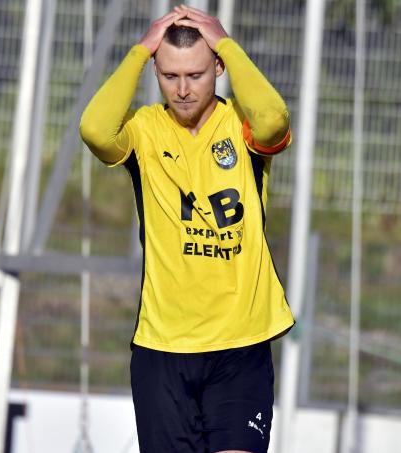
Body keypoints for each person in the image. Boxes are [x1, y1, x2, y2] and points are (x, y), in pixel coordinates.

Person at [79, 5, 294, 453]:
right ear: (156, 71)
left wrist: (227, 43)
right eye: (169, 75)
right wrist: (141, 49)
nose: (182, 89)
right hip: (163, 348)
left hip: (240, 343)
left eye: (195, 75)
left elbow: (275, 120)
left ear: (217, 67)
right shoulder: (143, 130)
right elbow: (96, 131)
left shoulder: (242, 124)